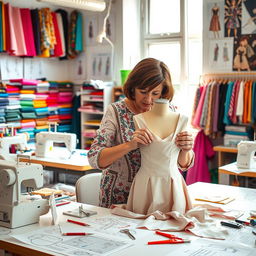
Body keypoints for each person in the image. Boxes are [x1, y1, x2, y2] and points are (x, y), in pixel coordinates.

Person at [88, 58, 194, 208]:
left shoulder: (172, 112)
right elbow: (94, 158)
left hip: (157, 197)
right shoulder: (116, 111)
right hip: (118, 197)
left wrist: (186, 149)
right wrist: (130, 145)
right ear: (132, 88)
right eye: (143, 92)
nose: (149, 99)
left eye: (155, 93)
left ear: (163, 92)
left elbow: (183, 164)